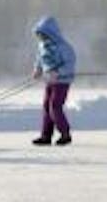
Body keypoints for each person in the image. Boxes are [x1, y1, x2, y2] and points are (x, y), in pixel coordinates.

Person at [30, 15, 76, 146]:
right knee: (46, 106)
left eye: (43, 34)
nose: (40, 37)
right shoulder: (42, 46)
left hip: (62, 81)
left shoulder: (63, 47)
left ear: (51, 33)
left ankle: (65, 134)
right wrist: (38, 70)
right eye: (38, 35)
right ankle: (46, 135)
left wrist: (58, 73)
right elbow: (40, 60)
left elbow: (70, 63)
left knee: (55, 106)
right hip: (49, 80)